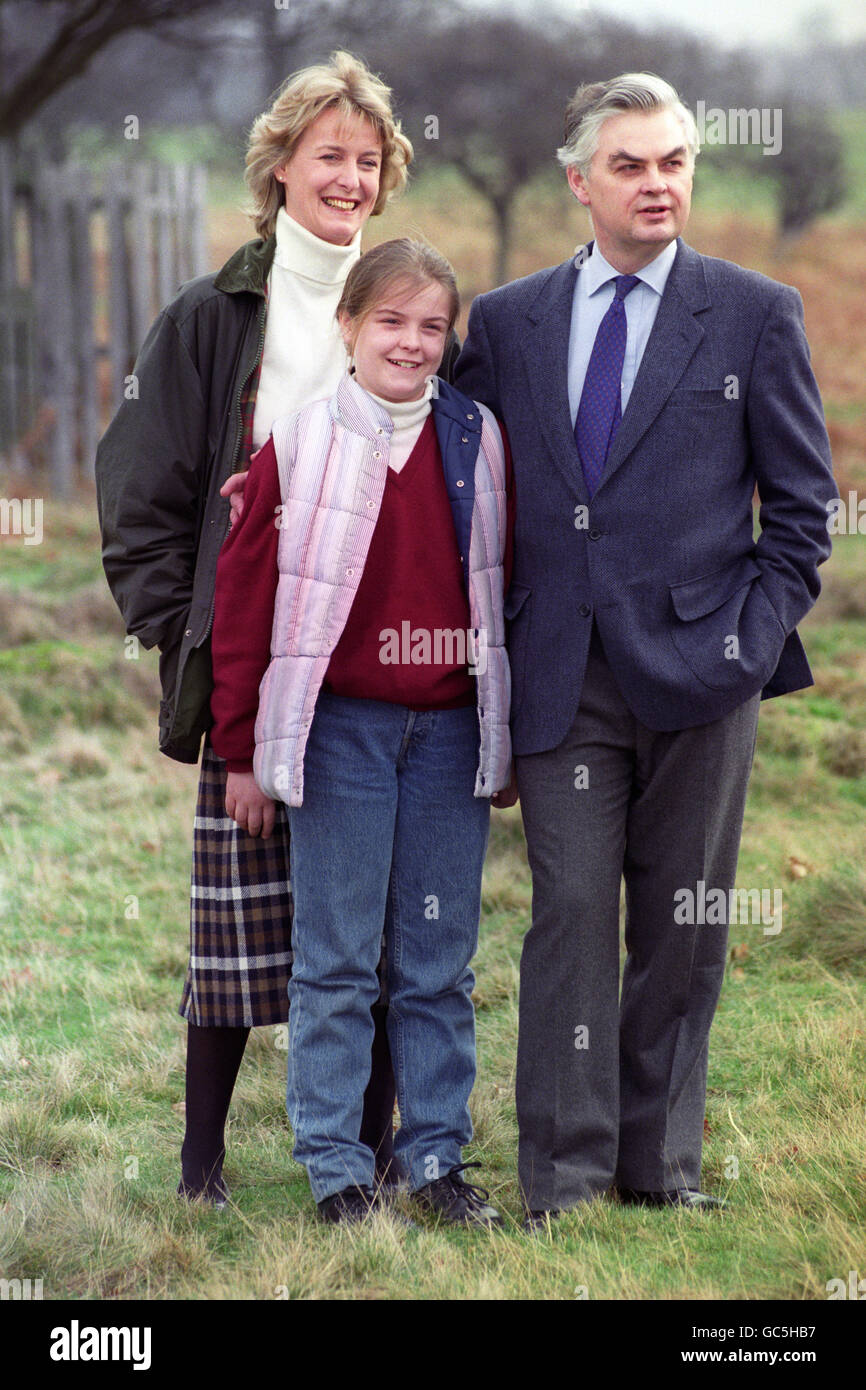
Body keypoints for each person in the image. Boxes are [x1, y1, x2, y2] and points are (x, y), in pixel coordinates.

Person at [453, 72, 836, 1227]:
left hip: (702, 677)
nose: (655, 182)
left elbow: (803, 513)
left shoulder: (754, 312)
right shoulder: (509, 321)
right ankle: (560, 1180)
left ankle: (655, 1168)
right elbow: (455, 478)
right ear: (580, 181)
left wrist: (745, 642)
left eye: (671, 161)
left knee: (683, 925)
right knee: (569, 914)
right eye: (628, 163)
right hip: (561, 673)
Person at [95, 52, 431, 1206]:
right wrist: (178, 632)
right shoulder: (213, 315)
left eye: (366, 156)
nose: (348, 174)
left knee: (379, 919)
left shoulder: (402, 302)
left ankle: (382, 1150)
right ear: (280, 165)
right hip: (247, 657)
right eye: (327, 153)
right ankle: (201, 1167)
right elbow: (139, 489)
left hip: (374, 667)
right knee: (237, 920)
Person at [209, 237, 513, 1225]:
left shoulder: (477, 438)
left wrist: (504, 732)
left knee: (434, 960)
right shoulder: (299, 441)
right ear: (346, 326)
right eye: (390, 320)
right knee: (335, 956)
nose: (411, 342)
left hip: (446, 735)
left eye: (432, 326)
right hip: (340, 730)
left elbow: (505, 590)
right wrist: (245, 743)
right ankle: (335, 1166)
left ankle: (433, 1159)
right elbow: (247, 594)